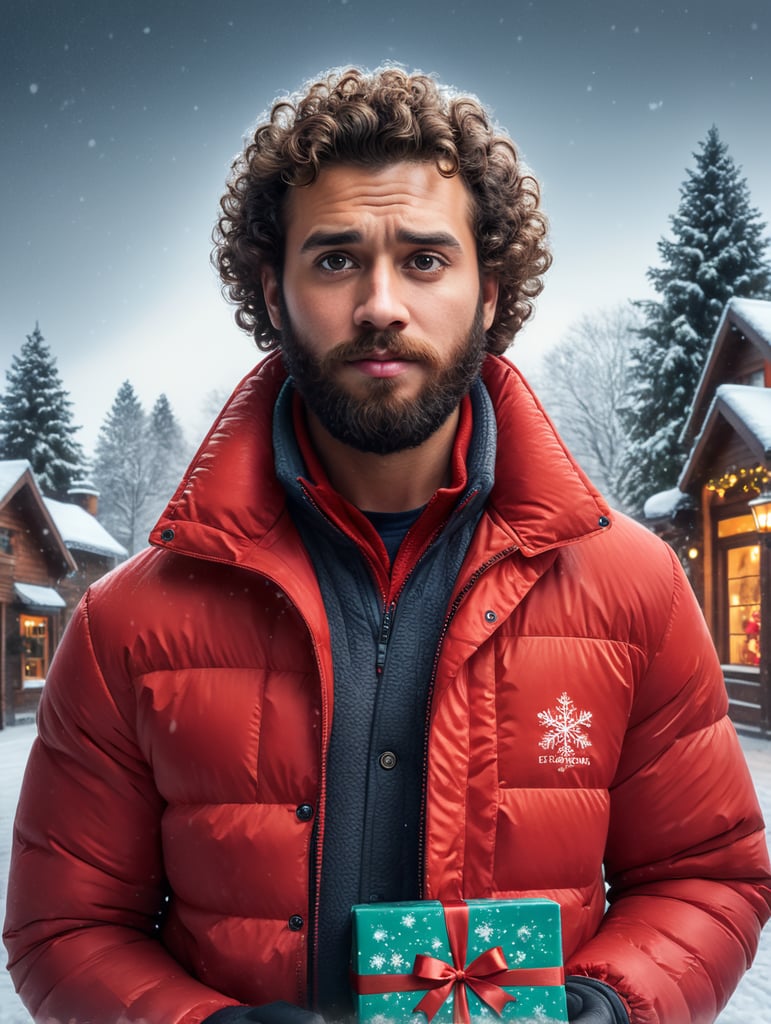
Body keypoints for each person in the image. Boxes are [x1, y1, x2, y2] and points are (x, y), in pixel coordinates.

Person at [4, 66, 770, 1024]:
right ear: (271, 293)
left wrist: (611, 1006)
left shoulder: (634, 588)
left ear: (489, 292)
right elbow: (62, 929)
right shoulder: (130, 621)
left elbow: (708, 876)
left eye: (422, 259)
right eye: (333, 259)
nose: (378, 304)